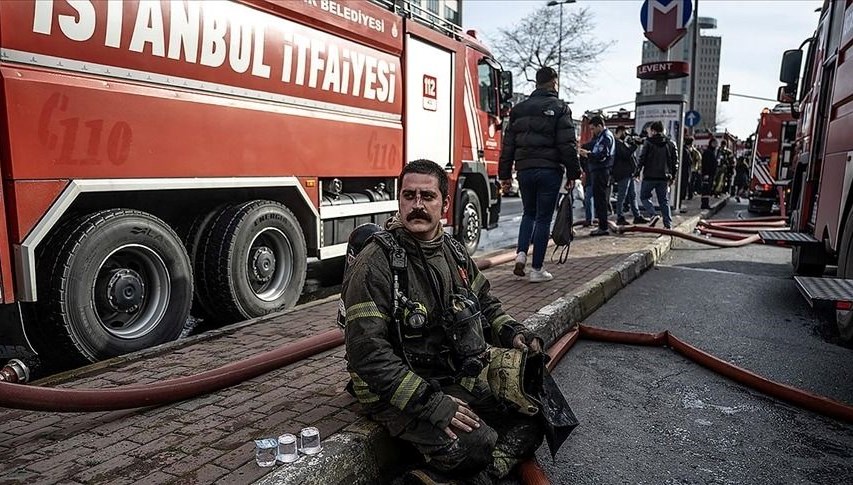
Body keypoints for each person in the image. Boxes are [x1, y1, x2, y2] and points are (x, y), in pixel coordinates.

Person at [342, 160, 547, 485]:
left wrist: (515, 333)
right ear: (399, 201)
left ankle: (461, 478)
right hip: (393, 388)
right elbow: (368, 356)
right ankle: (471, 468)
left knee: (537, 411)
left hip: (448, 375)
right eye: (409, 196)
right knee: (474, 444)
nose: (417, 205)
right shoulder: (375, 263)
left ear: (445, 203)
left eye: (427, 196)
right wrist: (434, 404)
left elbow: (487, 304)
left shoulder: (453, 252)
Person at [500, 66, 581, 282]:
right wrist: (574, 173)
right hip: (549, 170)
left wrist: (504, 175)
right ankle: (537, 269)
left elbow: (508, 146)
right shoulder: (560, 108)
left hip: (524, 169)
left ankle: (520, 254)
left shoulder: (519, 109)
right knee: (544, 219)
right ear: (554, 83)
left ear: (536, 82)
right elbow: (567, 145)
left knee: (529, 213)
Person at [637, 121, 678, 229]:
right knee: (664, 201)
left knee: (644, 197)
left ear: (654, 131)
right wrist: (673, 176)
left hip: (649, 176)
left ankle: (653, 214)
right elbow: (675, 162)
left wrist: (637, 172)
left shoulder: (648, 143)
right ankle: (668, 225)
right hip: (664, 177)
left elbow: (642, 159)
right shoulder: (670, 143)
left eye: (650, 131)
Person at [578, 115, 614, 236]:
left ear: (600, 126)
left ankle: (603, 227)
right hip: (597, 170)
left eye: (593, 128)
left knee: (600, 200)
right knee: (599, 200)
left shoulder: (606, 137)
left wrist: (588, 154)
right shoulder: (599, 137)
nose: (592, 131)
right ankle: (601, 226)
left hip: (601, 171)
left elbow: (602, 155)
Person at [612, 126, 648, 225]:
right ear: (620, 131)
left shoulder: (623, 143)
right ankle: (620, 216)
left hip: (629, 173)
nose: (626, 135)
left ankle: (637, 215)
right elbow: (625, 154)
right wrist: (635, 145)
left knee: (632, 195)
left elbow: (631, 158)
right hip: (622, 173)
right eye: (625, 133)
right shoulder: (616, 143)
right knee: (622, 196)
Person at [700, 138, 718, 209]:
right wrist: (706, 174)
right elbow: (706, 164)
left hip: (710, 174)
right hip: (707, 174)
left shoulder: (712, 152)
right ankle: (704, 204)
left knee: (708, 189)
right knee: (706, 189)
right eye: (714, 143)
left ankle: (706, 203)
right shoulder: (708, 152)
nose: (716, 145)